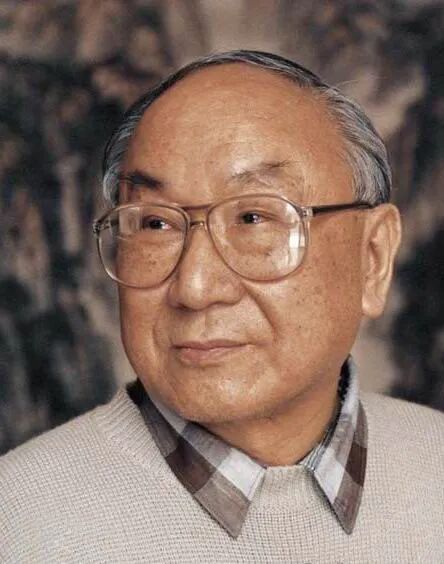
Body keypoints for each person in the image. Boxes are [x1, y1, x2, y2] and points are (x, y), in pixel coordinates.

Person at [0, 50, 443, 563]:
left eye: (254, 218)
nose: (194, 287)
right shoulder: (19, 522)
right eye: (154, 224)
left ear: (372, 257)